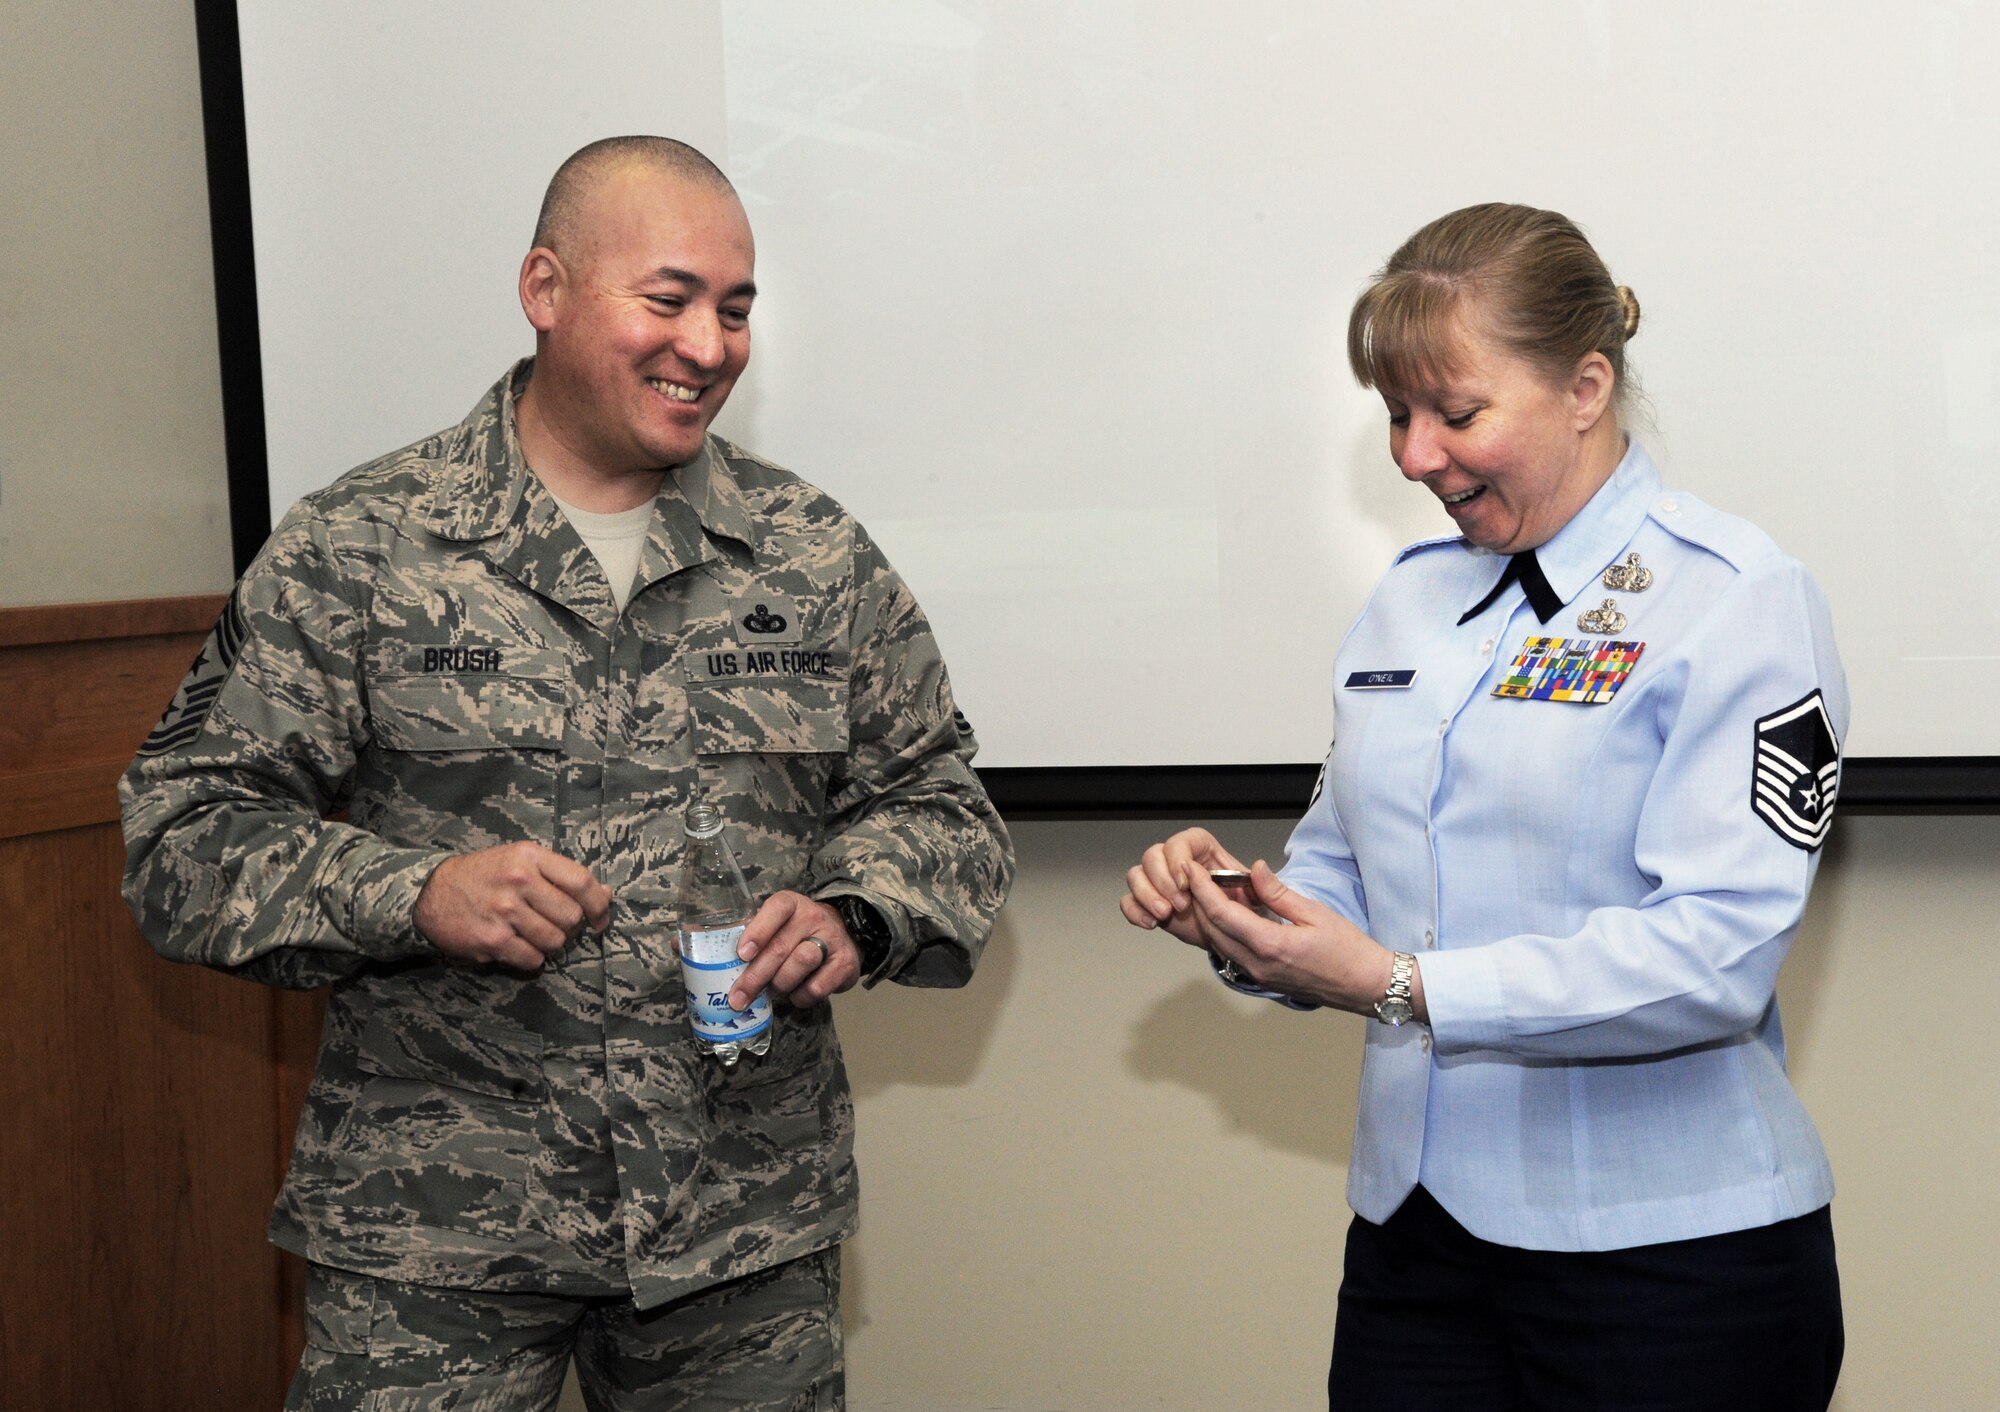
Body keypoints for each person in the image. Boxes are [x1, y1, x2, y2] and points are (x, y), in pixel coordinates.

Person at [121, 136, 1014, 1410]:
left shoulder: (811, 556)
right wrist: (410, 893)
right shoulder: (363, 545)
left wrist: (856, 911)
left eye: (735, 307)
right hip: (433, 1236)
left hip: (736, 1232)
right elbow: (180, 834)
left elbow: (937, 799)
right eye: (668, 299)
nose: (707, 343)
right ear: (545, 288)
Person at [1121, 204, 1845, 1411]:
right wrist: (1240, 913)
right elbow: (1344, 877)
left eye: (1454, 414)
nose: (1412, 456)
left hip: (1669, 1262)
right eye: (1396, 415)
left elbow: (1715, 954)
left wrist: (1400, 985)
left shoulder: (1734, 599)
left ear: (1583, 384)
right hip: (1419, 1248)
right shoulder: (1406, 604)